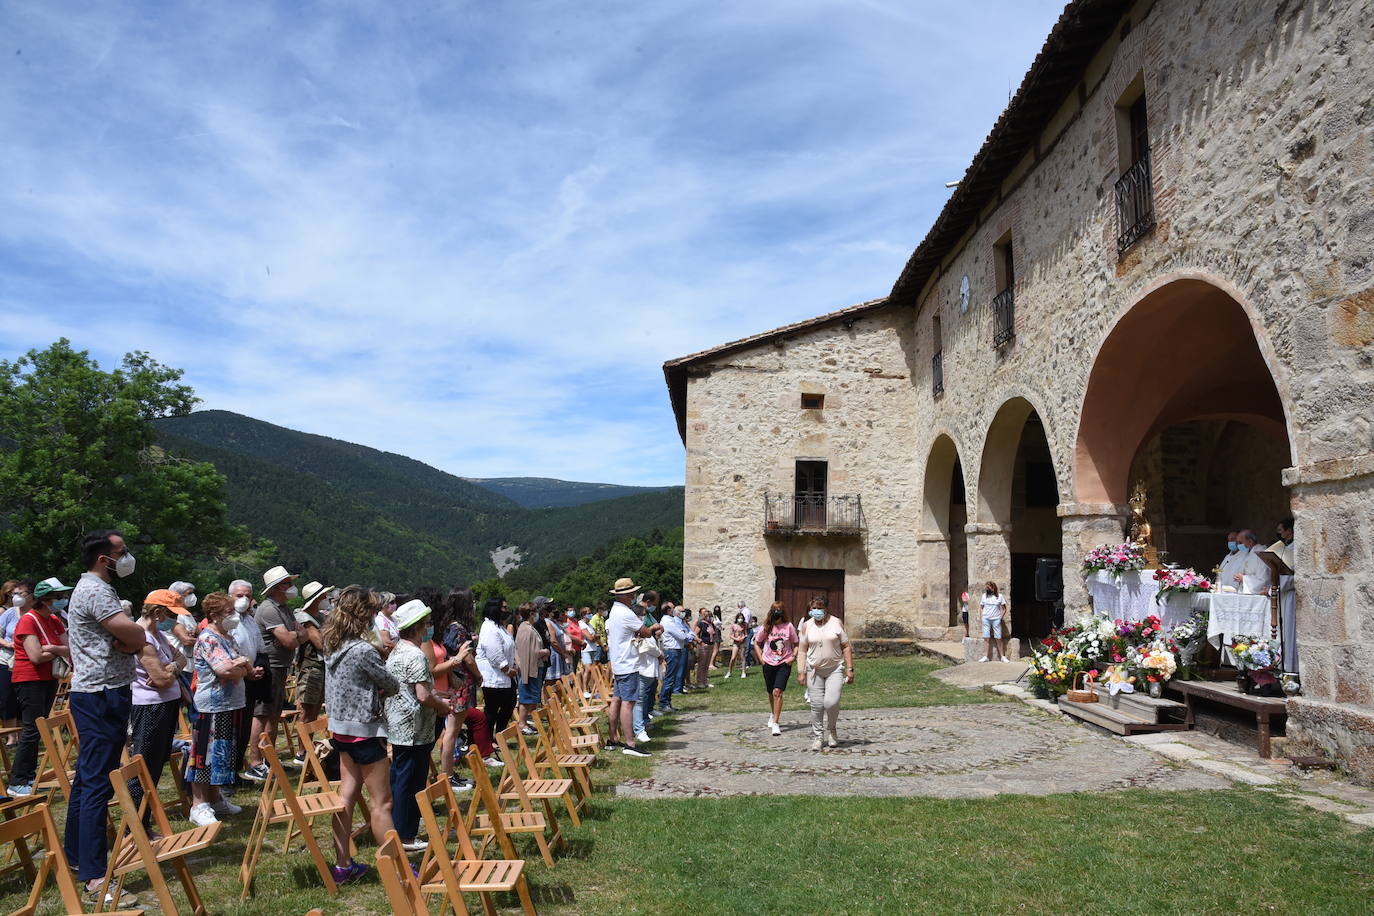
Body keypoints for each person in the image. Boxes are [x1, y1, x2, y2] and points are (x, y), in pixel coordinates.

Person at [64, 530, 145, 908]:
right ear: (103, 559)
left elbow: (127, 638)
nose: (126, 558)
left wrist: (130, 639)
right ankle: (96, 876)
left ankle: (77, 856)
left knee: (87, 780)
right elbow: (131, 634)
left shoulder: (96, 589)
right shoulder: (96, 591)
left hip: (100, 691)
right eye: (121, 552)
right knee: (97, 783)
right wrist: (135, 637)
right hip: (101, 695)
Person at [323, 586, 400, 885]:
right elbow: (390, 683)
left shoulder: (332, 644)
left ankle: (342, 865)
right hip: (365, 733)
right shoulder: (363, 650)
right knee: (382, 803)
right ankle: (397, 869)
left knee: (346, 797)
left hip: (341, 730)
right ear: (363, 614)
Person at [385, 600, 452, 852]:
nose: (428, 628)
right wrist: (442, 706)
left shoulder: (398, 651)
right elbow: (423, 696)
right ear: (415, 627)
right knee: (411, 783)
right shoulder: (415, 655)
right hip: (415, 729)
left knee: (401, 779)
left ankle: (397, 828)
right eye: (425, 624)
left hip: (400, 725)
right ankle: (406, 835)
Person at [186, 592, 254, 828]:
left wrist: (241, 665)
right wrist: (241, 665)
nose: (234, 616)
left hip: (229, 703)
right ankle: (198, 805)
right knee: (204, 754)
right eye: (229, 612)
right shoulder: (208, 638)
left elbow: (244, 663)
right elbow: (224, 670)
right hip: (211, 706)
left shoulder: (227, 635)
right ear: (214, 615)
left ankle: (215, 799)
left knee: (221, 753)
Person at [129, 590, 190, 829]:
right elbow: (161, 679)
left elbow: (180, 662)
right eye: (171, 615)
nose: (175, 622)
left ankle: (144, 821)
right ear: (157, 613)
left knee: (155, 767)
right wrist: (171, 671)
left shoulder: (159, 635)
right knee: (145, 767)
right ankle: (137, 825)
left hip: (165, 704)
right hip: (150, 708)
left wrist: (170, 668)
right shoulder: (142, 638)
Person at [6, 577, 70, 796]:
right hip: (29, 679)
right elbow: (35, 656)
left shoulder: (53, 619)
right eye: (58, 597)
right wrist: (56, 649)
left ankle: (30, 776)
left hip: (48, 678)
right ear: (44, 600)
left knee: (39, 727)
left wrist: (50, 648)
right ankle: (17, 781)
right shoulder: (28, 620)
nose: (63, 600)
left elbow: (67, 647)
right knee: (32, 729)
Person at [242, 566, 303, 782]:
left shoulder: (284, 608)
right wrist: (293, 636)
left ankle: (269, 759)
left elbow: (295, 637)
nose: (291, 588)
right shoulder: (269, 609)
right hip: (270, 666)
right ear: (277, 587)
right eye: (287, 584)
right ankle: (256, 762)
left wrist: (293, 636)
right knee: (262, 714)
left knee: (274, 715)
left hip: (280, 666)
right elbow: (289, 640)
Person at [604, 578, 654, 757]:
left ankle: (612, 738)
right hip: (627, 663)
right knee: (628, 702)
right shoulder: (625, 613)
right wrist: (654, 627)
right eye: (631, 592)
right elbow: (645, 631)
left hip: (619, 662)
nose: (633, 595)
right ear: (625, 595)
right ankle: (630, 743)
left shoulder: (615, 611)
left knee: (617, 700)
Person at [797, 596, 854, 751]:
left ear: (826, 609)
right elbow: (802, 650)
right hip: (813, 670)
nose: (816, 611)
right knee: (816, 705)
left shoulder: (836, 622)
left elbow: (846, 646)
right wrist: (801, 671)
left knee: (831, 702)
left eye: (819, 608)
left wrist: (850, 669)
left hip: (834, 669)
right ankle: (818, 736)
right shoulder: (807, 626)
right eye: (813, 608)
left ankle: (832, 730)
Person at [227, 578, 267, 772]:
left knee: (244, 728)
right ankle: (227, 775)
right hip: (233, 680)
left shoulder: (250, 621)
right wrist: (247, 671)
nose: (243, 600)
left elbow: (260, 648)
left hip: (250, 679)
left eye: (247, 596)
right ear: (230, 597)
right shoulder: (227, 621)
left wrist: (258, 668)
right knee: (232, 729)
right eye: (239, 596)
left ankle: (236, 770)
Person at [754, 602, 798, 736]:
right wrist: (761, 658)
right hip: (768, 662)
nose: (777, 612)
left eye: (779, 610)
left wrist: (793, 657)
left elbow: (796, 643)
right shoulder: (766, 627)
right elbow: (757, 642)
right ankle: (773, 712)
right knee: (770, 691)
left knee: (777, 691)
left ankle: (776, 723)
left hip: (784, 662)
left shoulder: (788, 626)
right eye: (774, 610)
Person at [476, 596, 517, 733]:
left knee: (509, 704)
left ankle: (499, 734)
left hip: (505, 676)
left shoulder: (499, 627)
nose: (507, 610)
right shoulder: (489, 628)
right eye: (504, 607)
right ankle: (489, 739)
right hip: (494, 677)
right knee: (492, 711)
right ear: (495, 609)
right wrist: (507, 669)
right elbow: (494, 652)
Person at [294, 581, 332, 724]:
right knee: (307, 711)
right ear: (316, 599)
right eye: (324, 595)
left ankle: (307, 745)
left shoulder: (321, 617)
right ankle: (303, 746)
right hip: (311, 668)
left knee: (315, 711)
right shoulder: (304, 618)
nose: (327, 598)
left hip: (322, 668)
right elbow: (320, 643)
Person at [0, 580, 33, 741]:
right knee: (7, 698)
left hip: (27, 662)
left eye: (20, 594)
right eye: (14, 594)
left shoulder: (35, 613)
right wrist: (7, 643)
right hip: (6, 661)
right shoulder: (9, 613)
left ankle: (22, 734)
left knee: (23, 699)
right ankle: (10, 737)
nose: (16, 597)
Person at [514, 603, 549, 736]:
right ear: (530, 614)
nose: (536, 615)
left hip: (535, 666)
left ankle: (525, 722)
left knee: (530, 697)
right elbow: (527, 652)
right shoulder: (526, 629)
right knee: (526, 696)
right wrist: (543, 651)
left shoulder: (529, 627)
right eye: (534, 612)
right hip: (529, 668)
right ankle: (522, 723)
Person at [658, 602, 693, 710]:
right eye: (673, 608)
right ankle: (664, 703)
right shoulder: (668, 622)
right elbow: (682, 636)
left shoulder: (671, 621)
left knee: (671, 678)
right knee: (669, 678)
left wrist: (685, 632)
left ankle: (667, 702)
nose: (674, 610)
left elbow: (685, 634)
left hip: (675, 649)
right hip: (672, 650)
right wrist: (684, 632)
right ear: (668, 610)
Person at [1275, 517, 1297, 673]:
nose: (1279, 534)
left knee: (1290, 633)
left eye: (1281, 530)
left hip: (1290, 595)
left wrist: (1273, 590)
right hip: (1283, 594)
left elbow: (1289, 576)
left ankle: (1291, 668)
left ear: (1290, 530)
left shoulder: (1295, 549)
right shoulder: (1286, 548)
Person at [1235, 529, 1273, 595]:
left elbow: (1264, 580)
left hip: (1259, 595)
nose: (1238, 545)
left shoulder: (1261, 554)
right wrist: (1240, 578)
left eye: (1240, 542)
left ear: (1250, 541)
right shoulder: (1248, 553)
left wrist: (1243, 578)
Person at [978, 582, 1009, 662]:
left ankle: (1002, 656)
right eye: (986, 588)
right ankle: (986, 656)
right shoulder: (984, 596)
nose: (987, 589)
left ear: (993, 588)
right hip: (986, 619)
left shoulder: (999, 596)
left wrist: (1000, 618)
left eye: (988, 588)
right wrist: (982, 616)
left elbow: (1004, 608)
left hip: (996, 620)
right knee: (986, 637)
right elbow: (981, 607)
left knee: (998, 637)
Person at [693, 608, 716, 689]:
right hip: (703, 646)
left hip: (710, 645)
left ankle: (705, 681)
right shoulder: (701, 624)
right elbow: (694, 634)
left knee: (706, 665)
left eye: (711, 616)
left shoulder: (711, 624)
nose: (710, 617)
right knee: (701, 665)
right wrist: (700, 642)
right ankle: (699, 682)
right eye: (709, 616)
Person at [373, 591, 399, 656]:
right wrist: (402, 650)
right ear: (384, 604)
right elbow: (386, 642)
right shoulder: (381, 620)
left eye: (395, 602)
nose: (394, 605)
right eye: (392, 602)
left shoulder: (394, 618)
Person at [726, 612, 747, 678]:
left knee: (743, 657)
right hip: (736, 642)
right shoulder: (733, 625)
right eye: (739, 618)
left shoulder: (744, 625)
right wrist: (736, 639)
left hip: (742, 642)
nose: (740, 619)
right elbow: (730, 635)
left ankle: (743, 672)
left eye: (741, 618)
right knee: (733, 658)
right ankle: (729, 672)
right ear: (737, 618)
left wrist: (742, 638)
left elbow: (746, 634)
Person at [739, 600, 756, 668]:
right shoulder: (745, 611)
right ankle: (747, 663)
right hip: (748, 629)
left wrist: (744, 631)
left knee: (746, 647)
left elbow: (745, 622)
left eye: (739, 607)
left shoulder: (745, 612)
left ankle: (745, 663)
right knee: (746, 647)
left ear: (740, 606)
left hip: (747, 630)